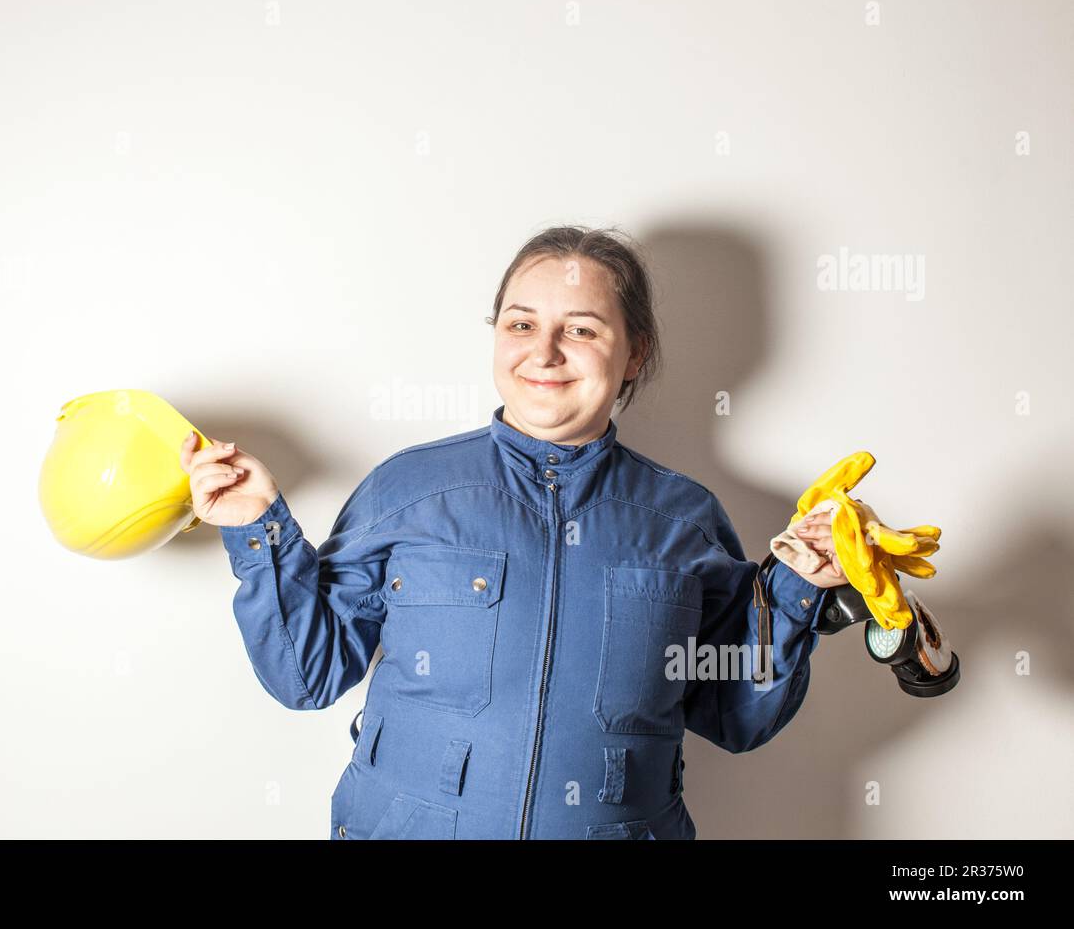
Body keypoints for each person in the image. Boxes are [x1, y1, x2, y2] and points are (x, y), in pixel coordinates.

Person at [180, 225, 848, 839]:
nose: (544, 351)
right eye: (521, 323)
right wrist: (257, 528)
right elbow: (306, 674)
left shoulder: (685, 520)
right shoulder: (409, 490)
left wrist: (796, 590)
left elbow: (740, 716)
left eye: (581, 330)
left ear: (634, 352)